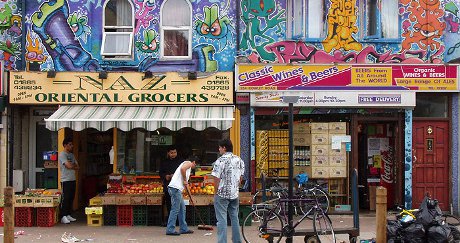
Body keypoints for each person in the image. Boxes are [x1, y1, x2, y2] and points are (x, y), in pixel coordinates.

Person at [211, 139, 245, 243]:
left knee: (221, 219)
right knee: (235, 218)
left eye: (220, 147)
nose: (219, 149)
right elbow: (241, 177)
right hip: (234, 194)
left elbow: (216, 178)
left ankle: (222, 241)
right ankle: (237, 240)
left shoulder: (220, 161)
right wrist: (235, 187)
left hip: (222, 194)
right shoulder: (239, 159)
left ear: (224, 148)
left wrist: (215, 191)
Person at [165, 156, 198, 236]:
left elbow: (186, 185)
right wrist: (184, 180)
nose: (194, 167)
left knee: (182, 208)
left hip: (177, 190)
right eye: (195, 165)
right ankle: (170, 229)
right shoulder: (188, 163)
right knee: (175, 209)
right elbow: (182, 169)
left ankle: (183, 228)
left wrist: (191, 197)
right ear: (194, 162)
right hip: (175, 189)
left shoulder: (188, 170)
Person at [159, 145, 183, 225]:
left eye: (175, 152)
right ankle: (170, 222)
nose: (173, 154)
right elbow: (160, 173)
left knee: (178, 204)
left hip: (177, 186)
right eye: (171, 153)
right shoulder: (164, 162)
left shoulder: (180, 161)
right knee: (169, 204)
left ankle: (178, 221)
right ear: (168, 153)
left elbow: (183, 172)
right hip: (168, 185)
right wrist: (166, 176)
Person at [59, 137, 79, 224]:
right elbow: (69, 166)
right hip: (65, 180)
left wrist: (72, 165)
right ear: (65, 145)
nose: (72, 146)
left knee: (71, 197)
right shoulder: (62, 155)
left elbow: (77, 167)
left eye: (72, 144)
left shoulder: (72, 155)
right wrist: (72, 165)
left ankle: (68, 214)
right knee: (65, 198)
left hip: (72, 179)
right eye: (70, 144)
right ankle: (63, 216)